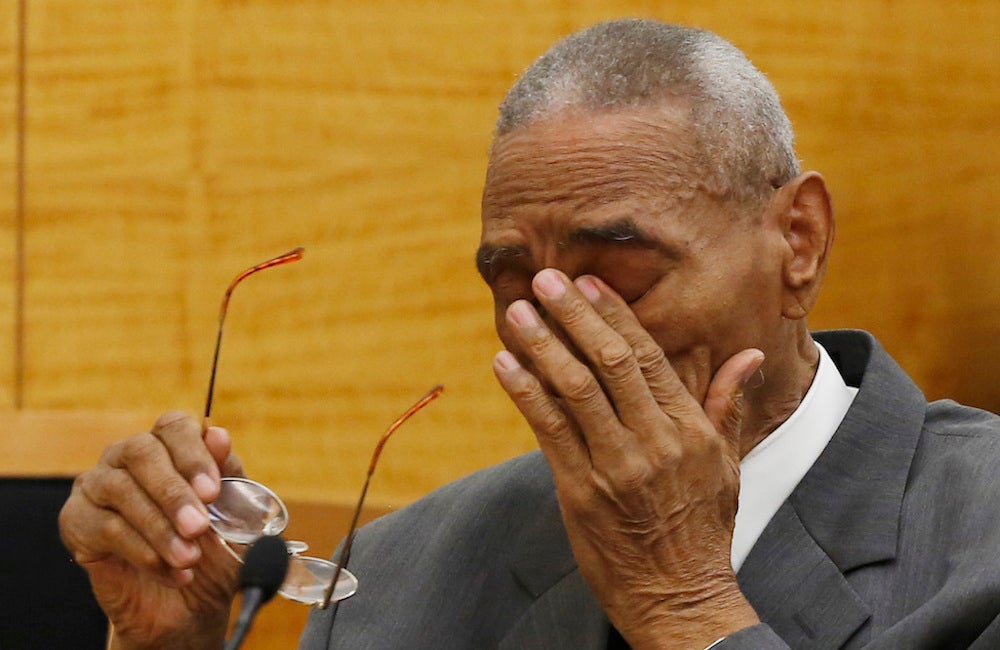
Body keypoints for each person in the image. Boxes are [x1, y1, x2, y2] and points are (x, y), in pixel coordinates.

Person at [59, 18, 1000, 650]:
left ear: (798, 240)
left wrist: (686, 608)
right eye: (512, 283)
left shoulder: (978, 531)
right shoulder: (393, 578)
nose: (556, 324)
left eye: (621, 270)